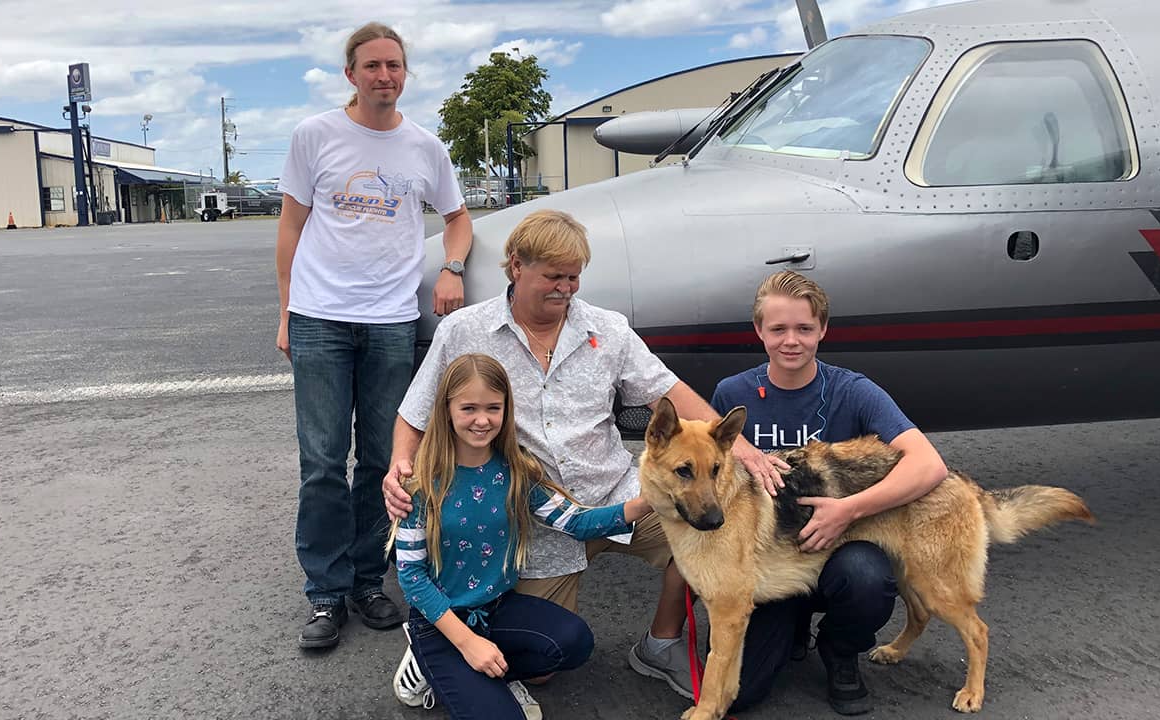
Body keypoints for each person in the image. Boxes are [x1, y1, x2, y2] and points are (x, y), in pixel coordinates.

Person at [383, 209, 787, 703]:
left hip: (619, 494)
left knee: (708, 528)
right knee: (541, 667)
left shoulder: (607, 329)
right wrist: (400, 468)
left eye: (573, 277)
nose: (566, 288)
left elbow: (669, 390)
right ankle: (435, 639)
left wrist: (739, 447)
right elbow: (416, 412)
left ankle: (660, 643)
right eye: (553, 276)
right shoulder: (464, 330)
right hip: (535, 518)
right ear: (515, 266)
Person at [275, 21, 472, 650]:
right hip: (320, 318)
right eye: (372, 66)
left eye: (395, 66)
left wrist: (451, 265)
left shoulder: (423, 147)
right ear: (351, 74)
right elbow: (290, 227)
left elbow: (459, 218)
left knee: (386, 462)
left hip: (392, 320)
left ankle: (367, 579)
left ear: (405, 73)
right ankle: (325, 594)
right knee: (323, 462)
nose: (384, 76)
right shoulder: (316, 136)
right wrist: (285, 312)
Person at [709, 270, 948, 715]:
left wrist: (848, 509)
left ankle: (840, 649)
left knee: (867, 578)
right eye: (778, 329)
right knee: (741, 694)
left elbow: (929, 464)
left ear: (823, 329)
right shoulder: (732, 393)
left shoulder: (853, 390)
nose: (791, 340)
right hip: (768, 565)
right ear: (759, 330)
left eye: (804, 328)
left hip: (838, 549)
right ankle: (791, 628)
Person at [390, 353, 655, 719]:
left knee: (574, 642)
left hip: (496, 609)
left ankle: (485, 668)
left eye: (492, 408)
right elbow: (412, 577)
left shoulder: (516, 470)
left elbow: (576, 522)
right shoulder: (420, 482)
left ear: (506, 409)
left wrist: (644, 504)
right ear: (446, 410)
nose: (482, 420)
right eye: (468, 408)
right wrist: (467, 644)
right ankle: (427, 664)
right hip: (440, 621)